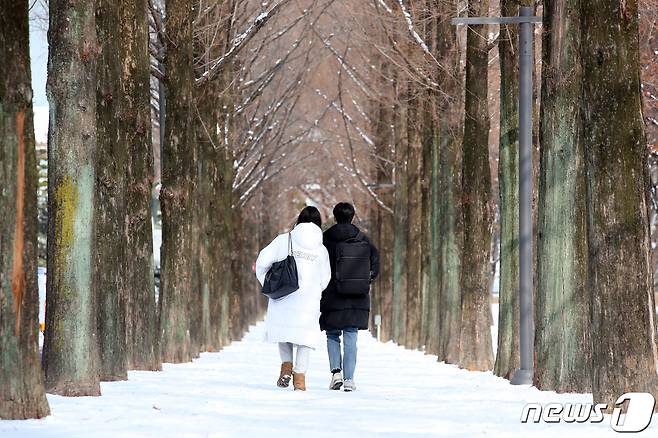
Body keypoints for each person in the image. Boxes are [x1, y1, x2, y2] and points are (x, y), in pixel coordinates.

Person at [255, 206, 331, 391]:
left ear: (299, 220)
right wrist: (314, 290)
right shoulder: (321, 249)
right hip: (309, 300)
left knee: (284, 330)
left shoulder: (284, 240)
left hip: (283, 295)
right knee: (305, 337)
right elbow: (325, 278)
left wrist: (268, 282)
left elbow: (262, 262)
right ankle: (300, 379)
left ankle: (286, 367)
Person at [320, 202, 379, 392]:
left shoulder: (325, 239)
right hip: (357, 296)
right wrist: (364, 280)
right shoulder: (363, 239)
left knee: (332, 334)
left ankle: (335, 372)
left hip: (331, 295)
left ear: (334, 217)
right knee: (351, 335)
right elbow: (375, 266)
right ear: (353, 217)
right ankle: (349, 379)